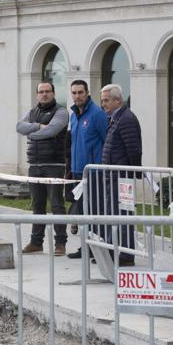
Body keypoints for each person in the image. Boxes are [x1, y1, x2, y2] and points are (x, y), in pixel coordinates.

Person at [16, 82, 69, 256]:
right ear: (37, 94)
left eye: (47, 91)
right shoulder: (32, 112)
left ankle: (60, 243)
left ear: (53, 93)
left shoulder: (61, 112)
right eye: (41, 92)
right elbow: (19, 127)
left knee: (56, 205)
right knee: (37, 205)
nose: (44, 94)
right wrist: (38, 126)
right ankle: (36, 242)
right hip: (35, 164)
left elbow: (52, 131)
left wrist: (31, 132)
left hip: (54, 164)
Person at [100, 84, 142, 267]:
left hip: (121, 175)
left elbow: (133, 149)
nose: (103, 104)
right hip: (113, 174)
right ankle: (113, 249)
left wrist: (132, 172)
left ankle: (124, 254)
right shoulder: (114, 118)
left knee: (122, 214)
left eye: (106, 100)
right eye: (102, 101)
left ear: (118, 100)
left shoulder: (126, 119)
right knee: (113, 213)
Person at [66, 80, 108, 260]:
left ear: (88, 93)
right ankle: (86, 246)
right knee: (83, 212)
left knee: (94, 212)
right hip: (77, 171)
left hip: (93, 172)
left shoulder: (97, 114)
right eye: (74, 93)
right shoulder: (73, 115)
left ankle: (97, 249)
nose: (77, 96)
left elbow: (107, 141)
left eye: (80, 92)